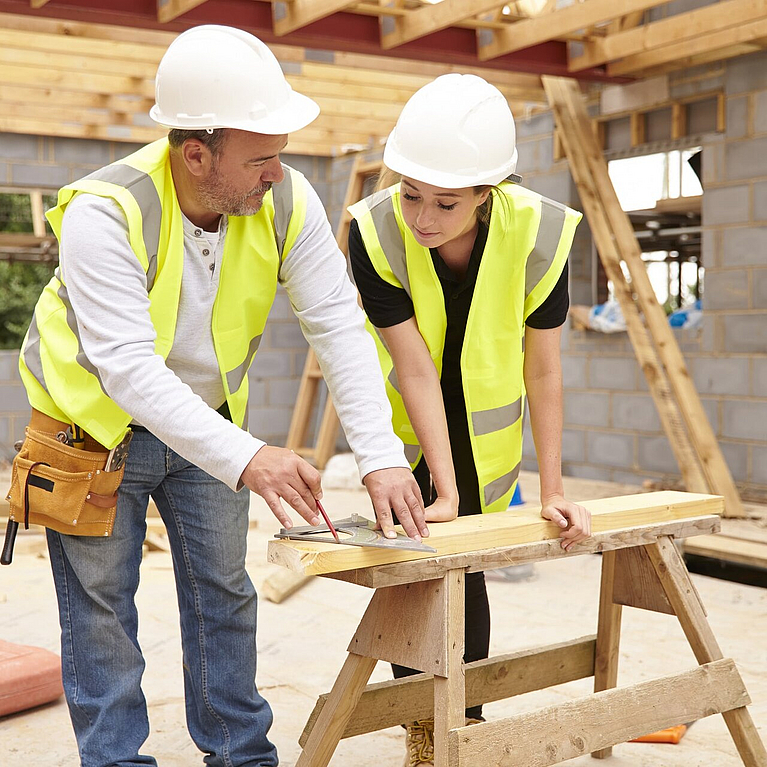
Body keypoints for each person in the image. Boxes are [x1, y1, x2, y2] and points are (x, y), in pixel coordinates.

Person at [13, 25, 427, 767]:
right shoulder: (105, 211)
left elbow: (336, 323)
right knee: (102, 613)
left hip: (205, 426)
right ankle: (115, 760)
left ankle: (241, 753)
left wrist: (380, 456)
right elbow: (129, 372)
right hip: (89, 432)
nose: (277, 172)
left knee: (224, 596)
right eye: (261, 156)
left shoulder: (285, 199)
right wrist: (251, 459)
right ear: (195, 153)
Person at [348, 74, 592, 767]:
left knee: (468, 570)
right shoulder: (373, 232)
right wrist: (441, 489)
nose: (421, 216)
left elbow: (542, 367)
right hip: (404, 431)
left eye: (445, 202)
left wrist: (552, 488)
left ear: (490, 192)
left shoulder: (541, 232)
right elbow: (414, 365)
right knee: (414, 571)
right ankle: (423, 733)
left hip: (488, 441)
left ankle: (466, 720)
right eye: (410, 193)